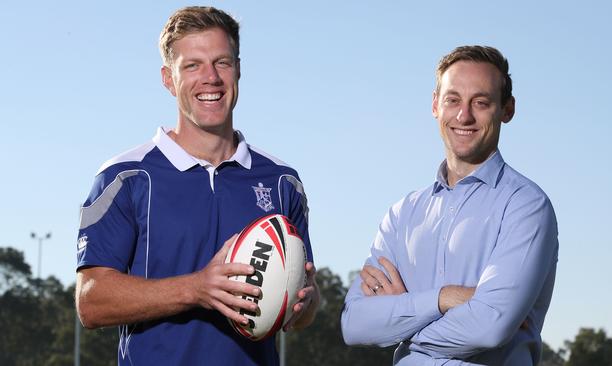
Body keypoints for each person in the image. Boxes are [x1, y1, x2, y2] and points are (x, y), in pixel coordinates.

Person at [75, 6, 319, 366]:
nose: (211, 78)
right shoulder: (124, 176)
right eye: (193, 66)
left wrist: (303, 303)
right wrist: (197, 288)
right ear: (168, 79)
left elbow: (305, 306)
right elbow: (91, 303)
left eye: (222, 62)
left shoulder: (282, 181)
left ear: (238, 69)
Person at [341, 45, 558, 365]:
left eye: (481, 103)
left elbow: (489, 328)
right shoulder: (402, 214)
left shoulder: (526, 206)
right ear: (435, 105)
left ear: (507, 110)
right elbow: (355, 323)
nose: (464, 115)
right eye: (452, 100)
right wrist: (443, 299)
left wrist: (402, 321)